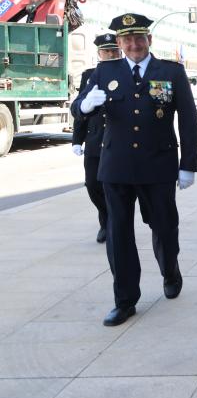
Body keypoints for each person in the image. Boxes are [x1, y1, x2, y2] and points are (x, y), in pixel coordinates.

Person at [71, 13, 197, 326]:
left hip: (158, 164)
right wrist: (86, 106)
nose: (134, 44)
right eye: (127, 40)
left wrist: (188, 166)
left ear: (149, 41)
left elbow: (188, 119)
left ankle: (170, 270)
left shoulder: (170, 71)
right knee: (119, 234)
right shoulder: (105, 71)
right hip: (116, 166)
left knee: (165, 227)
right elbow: (78, 108)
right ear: (119, 43)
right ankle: (125, 300)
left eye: (139, 38)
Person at [71, 33, 122, 243]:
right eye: (106, 51)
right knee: (92, 185)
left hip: (117, 141)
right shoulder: (90, 74)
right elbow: (81, 108)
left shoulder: (126, 72)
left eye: (113, 51)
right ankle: (106, 218)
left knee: (114, 187)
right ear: (99, 53)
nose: (110, 55)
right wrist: (76, 139)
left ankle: (111, 224)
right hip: (95, 139)